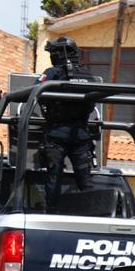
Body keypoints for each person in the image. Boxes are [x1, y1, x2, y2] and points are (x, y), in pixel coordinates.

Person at [37, 37, 96, 212]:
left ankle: (51, 211)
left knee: (54, 176)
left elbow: (34, 91)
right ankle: (91, 214)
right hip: (81, 135)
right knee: (85, 179)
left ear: (57, 54)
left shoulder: (52, 73)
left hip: (57, 134)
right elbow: (93, 102)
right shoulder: (88, 75)